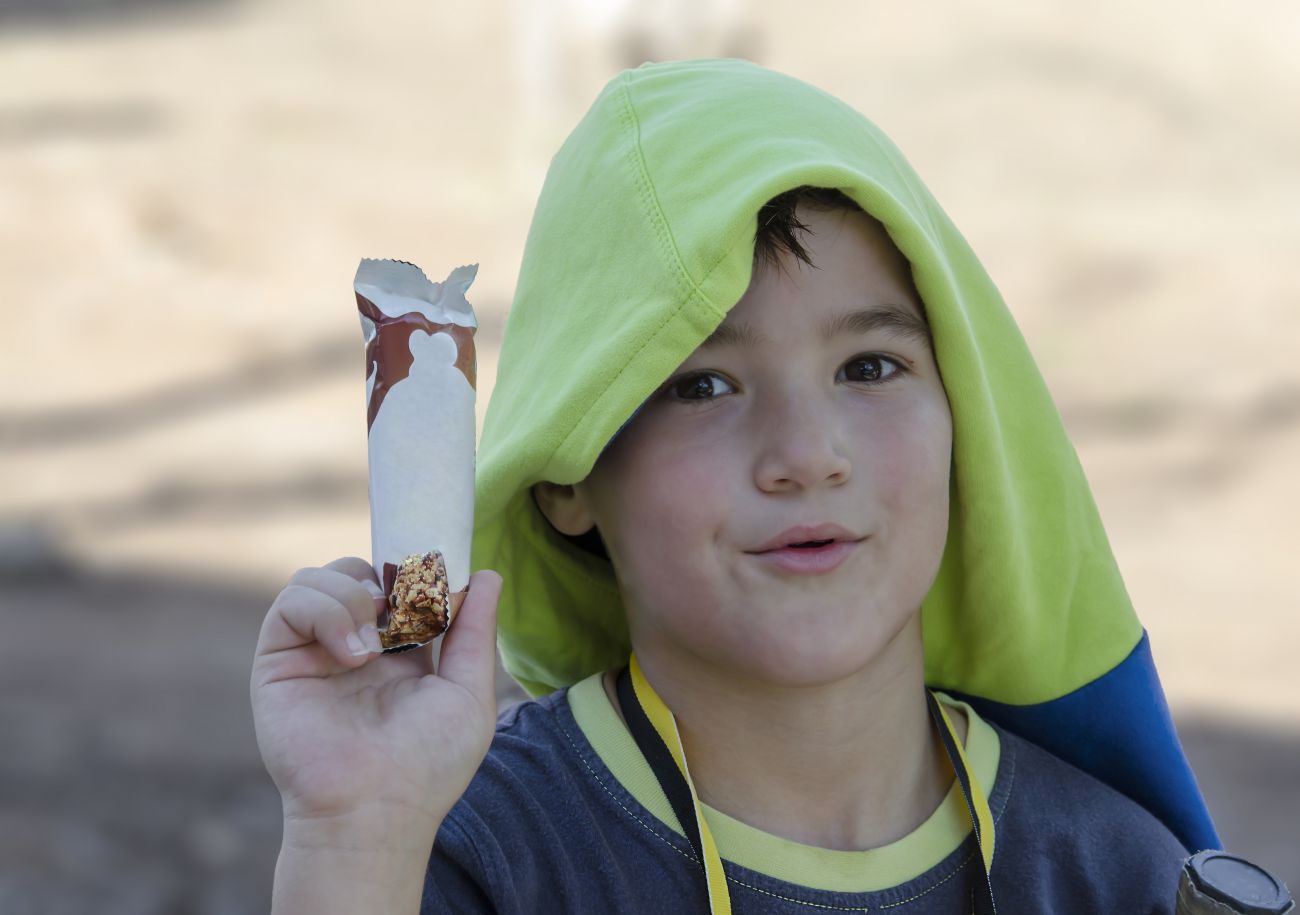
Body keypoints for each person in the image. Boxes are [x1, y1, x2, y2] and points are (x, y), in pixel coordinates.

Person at [251, 58, 1222, 913]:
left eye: (869, 366)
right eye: (703, 386)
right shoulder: (466, 849)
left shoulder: (1114, 873)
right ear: (567, 474)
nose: (807, 453)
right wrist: (356, 835)